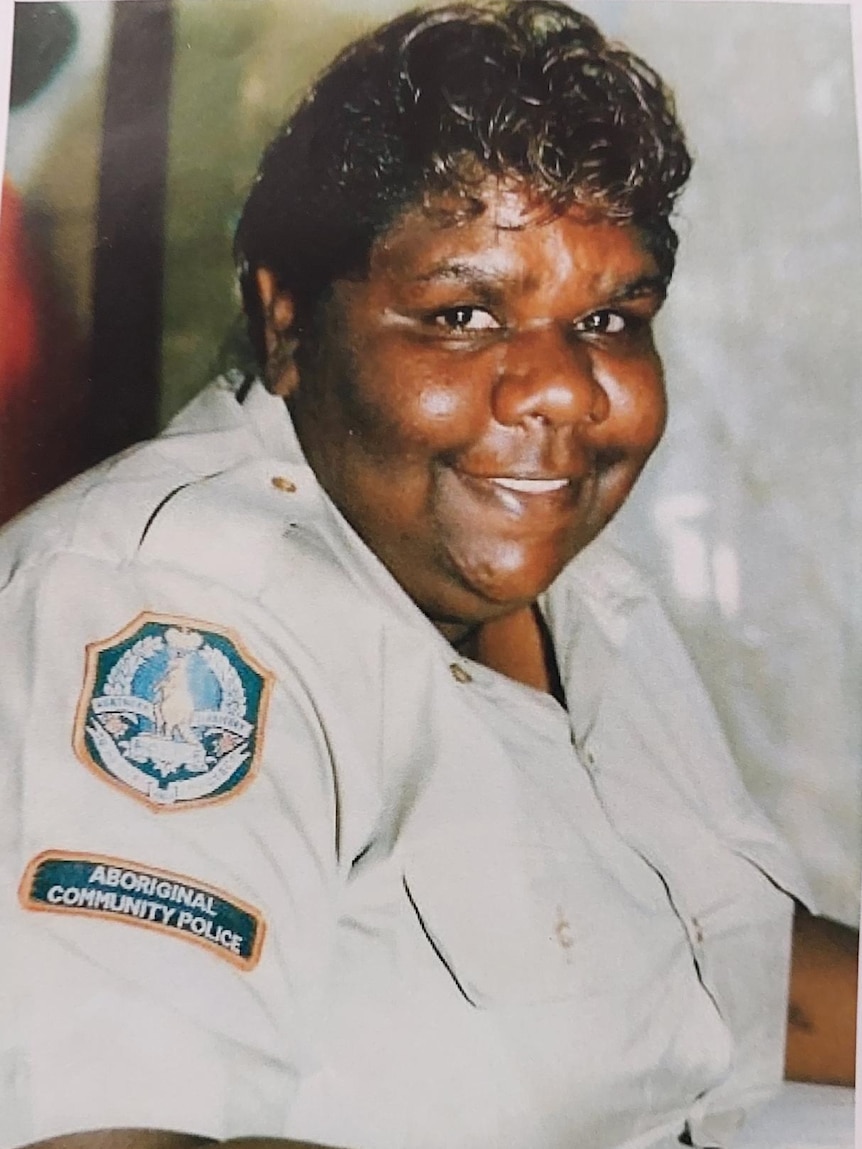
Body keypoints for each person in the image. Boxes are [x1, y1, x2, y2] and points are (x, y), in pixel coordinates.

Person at [0, 4, 856, 1149]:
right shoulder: (165, 618)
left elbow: (738, 974)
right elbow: (109, 1133)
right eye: (461, 315)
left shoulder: (581, 605)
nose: (561, 390)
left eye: (608, 316)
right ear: (284, 318)